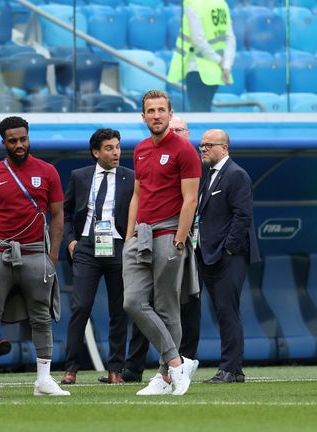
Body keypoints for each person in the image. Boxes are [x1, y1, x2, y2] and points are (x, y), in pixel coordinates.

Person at [0, 116, 68, 396]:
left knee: (41, 316)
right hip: (0, 252)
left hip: (35, 254)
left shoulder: (48, 171)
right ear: (3, 142)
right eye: (12, 141)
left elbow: (58, 215)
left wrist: (51, 256)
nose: (19, 145)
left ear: (28, 138)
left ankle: (44, 380)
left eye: (23, 139)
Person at [122, 90, 201, 396]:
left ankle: (164, 375)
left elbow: (190, 199)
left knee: (168, 308)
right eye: (150, 111)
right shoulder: (140, 149)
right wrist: (129, 235)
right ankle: (176, 362)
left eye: (161, 110)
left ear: (170, 114)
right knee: (133, 302)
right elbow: (138, 195)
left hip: (169, 234)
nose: (156, 115)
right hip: (140, 237)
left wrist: (180, 240)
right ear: (143, 117)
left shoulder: (184, 150)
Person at [61, 128, 134, 386]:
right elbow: (66, 212)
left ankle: (116, 369)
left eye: (117, 147)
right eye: (109, 148)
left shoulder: (131, 177)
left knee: (119, 310)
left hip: (118, 247)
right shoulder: (79, 176)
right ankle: (70, 368)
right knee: (80, 307)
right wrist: (70, 241)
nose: (116, 153)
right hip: (88, 247)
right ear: (96, 152)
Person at [196, 129, 260, 384]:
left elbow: (242, 216)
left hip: (228, 256)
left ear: (224, 148)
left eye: (209, 145)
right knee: (224, 312)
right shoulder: (208, 175)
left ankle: (229, 368)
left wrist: (228, 249)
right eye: (201, 145)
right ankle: (235, 369)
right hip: (210, 254)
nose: (203, 149)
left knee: (227, 311)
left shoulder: (235, 175)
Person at [167, 0, 236, 112]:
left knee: (199, 115)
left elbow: (198, 40)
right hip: (217, 72)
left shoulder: (193, 4)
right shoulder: (221, 4)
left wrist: (219, 60)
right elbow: (230, 38)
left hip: (197, 69)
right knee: (205, 112)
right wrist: (226, 64)